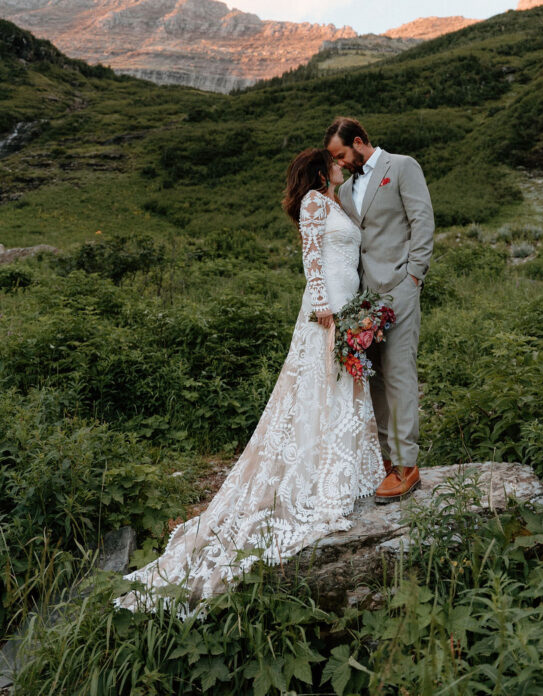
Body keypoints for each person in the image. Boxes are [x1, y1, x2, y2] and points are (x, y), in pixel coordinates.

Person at [116, 148, 383, 611]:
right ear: (321, 171)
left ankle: (342, 469)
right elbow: (311, 256)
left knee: (343, 386)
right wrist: (323, 307)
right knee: (317, 387)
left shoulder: (337, 203)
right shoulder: (314, 202)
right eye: (335, 162)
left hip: (348, 302)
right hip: (327, 309)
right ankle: (315, 479)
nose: (342, 165)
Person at [324, 117, 434, 503]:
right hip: (364, 301)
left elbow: (422, 221)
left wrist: (414, 277)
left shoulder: (402, 167)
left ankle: (407, 465)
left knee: (400, 375)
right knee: (375, 381)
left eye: (341, 154)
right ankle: (388, 461)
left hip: (400, 289)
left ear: (358, 141)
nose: (340, 163)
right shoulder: (346, 189)